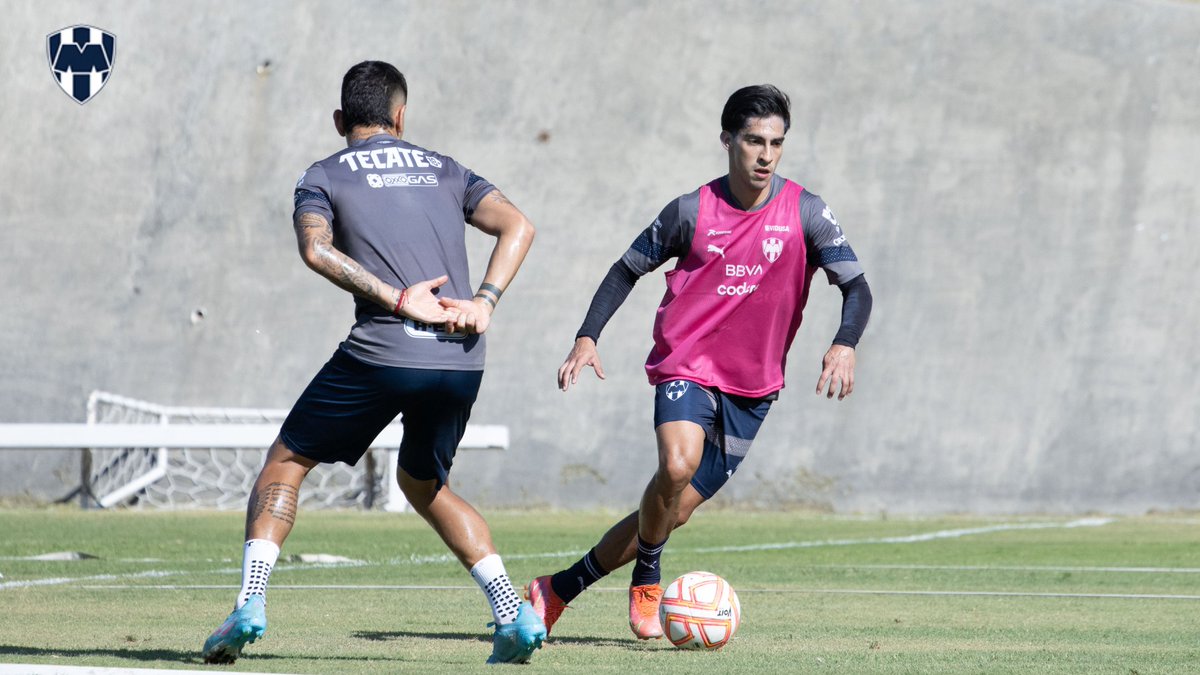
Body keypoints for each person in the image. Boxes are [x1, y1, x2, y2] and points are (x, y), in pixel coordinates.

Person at [201, 61, 546, 665]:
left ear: (340, 120)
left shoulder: (322, 175)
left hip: (384, 347)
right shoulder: (446, 168)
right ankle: (510, 611)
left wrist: (395, 299)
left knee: (285, 462)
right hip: (461, 359)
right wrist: (485, 302)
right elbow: (519, 225)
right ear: (400, 115)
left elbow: (316, 249)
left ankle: (250, 602)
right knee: (425, 484)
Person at [526, 84, 872, 640]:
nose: (765, 155)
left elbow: (857, 287)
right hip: (686, 363)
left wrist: (845, 342)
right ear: (727, 140)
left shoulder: (806, 211)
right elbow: (624, 271)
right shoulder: (691, 210)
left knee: (673, 510)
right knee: (677, 464)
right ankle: (648, 575)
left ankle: (558, 589)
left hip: (755, 386)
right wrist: (587, 337)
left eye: (776, 144)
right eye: (754, 141)